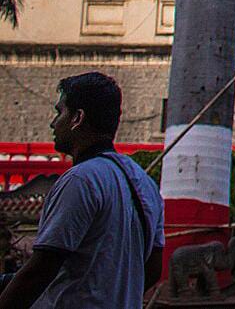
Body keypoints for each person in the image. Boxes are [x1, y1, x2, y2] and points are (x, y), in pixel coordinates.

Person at [0, 72, 163, 309]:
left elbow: (41, 270)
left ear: (77, 118)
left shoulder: (81, 180)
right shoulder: (145, 183)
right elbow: (153, 268)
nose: (53, 123)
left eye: (59, 112)